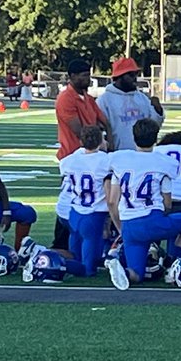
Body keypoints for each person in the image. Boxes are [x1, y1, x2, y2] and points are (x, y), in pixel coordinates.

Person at [105, 119, 181, 289]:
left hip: (129, 226)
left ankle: (124, 273)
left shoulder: (118, 159)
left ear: (134, 137)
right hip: (152, 219)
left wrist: (122, 228)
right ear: (156, 139)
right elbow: (168, 203)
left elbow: (112, 201)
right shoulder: (165, 162)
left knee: (136, 274)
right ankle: (173, 266)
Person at [54, 59, 108, 250]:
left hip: (90, 154)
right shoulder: (66, 99)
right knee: (69, 199)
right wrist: (99, 139)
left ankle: (79, 242)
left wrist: (104, 133)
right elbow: (79, 130)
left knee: (87, 199)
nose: (88, 78)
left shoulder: (87, 97)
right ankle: (59, 245)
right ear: (72, 77)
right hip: (73, 155)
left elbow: (102, 120)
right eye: (84, 75)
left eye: (88, 74)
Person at [57, 125, 112, 277]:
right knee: (90, 241)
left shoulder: (69, 160)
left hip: (75, 208)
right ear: (100, 141)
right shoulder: (106, 160)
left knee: (74, 237)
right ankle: (87, 270)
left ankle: (73, 267)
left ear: (81, 141)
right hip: (94, 211)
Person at [98, 57, 165, 152]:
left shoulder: (142, 98)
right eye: (130, 75)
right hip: (117, 155)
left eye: (136, 74)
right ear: (119, 77)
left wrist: (158, 110)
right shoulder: (104, 100)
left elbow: (154, 126)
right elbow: (101, 131)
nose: (135, 78)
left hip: (142, 154)